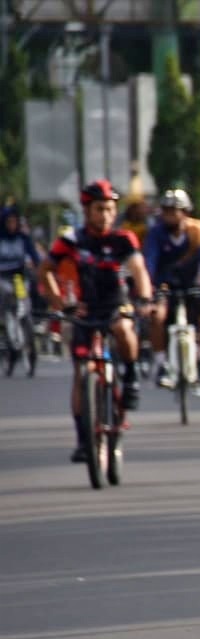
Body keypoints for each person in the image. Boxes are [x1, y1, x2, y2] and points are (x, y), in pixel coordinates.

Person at [38, 181, 154, 458]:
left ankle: (131, 377)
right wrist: (61, 304)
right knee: (81, 373)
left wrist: (146, 299)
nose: (105, 215)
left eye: (111, 209)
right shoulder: (72, 240)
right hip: (85, 309)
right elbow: (46, 270)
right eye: (99, 209)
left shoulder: (123, 239)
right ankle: (83, 439)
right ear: (87, 210)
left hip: (116, 304)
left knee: (124, 328)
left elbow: (139, 270)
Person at [144, 188, 200, 388]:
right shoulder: (156, 233)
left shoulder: (198, 230)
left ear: (185, 212)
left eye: (175, 210)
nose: (170, 215)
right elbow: (150, 262)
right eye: (166, 211)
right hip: (165, 284)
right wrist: (149, 287)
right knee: (157, 316)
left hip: (195, 282)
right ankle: (161, 361)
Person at [0, 205, 42, 375]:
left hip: (19, 278)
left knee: (25, 306)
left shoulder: (23, 238)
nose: (12, 225)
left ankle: (29, 342)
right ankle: (7, 333)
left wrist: (39, 270)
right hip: (2, 278)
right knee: (5, 299)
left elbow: (35, 256)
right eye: (9, 222)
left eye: (14, 222)